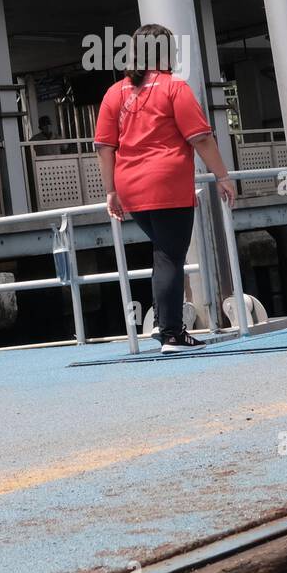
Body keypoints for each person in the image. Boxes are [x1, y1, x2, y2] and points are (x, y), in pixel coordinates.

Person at [94, 23, 237, 351]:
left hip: (130, 186)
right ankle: (170, 332)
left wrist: (111, 191)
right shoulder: (174, 88)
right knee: (170, 256)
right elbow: (200, 137)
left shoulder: (115, 93)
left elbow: (104, 146)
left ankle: (165, 324)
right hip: (168, 184)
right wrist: (222, 177)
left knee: (163, 253)